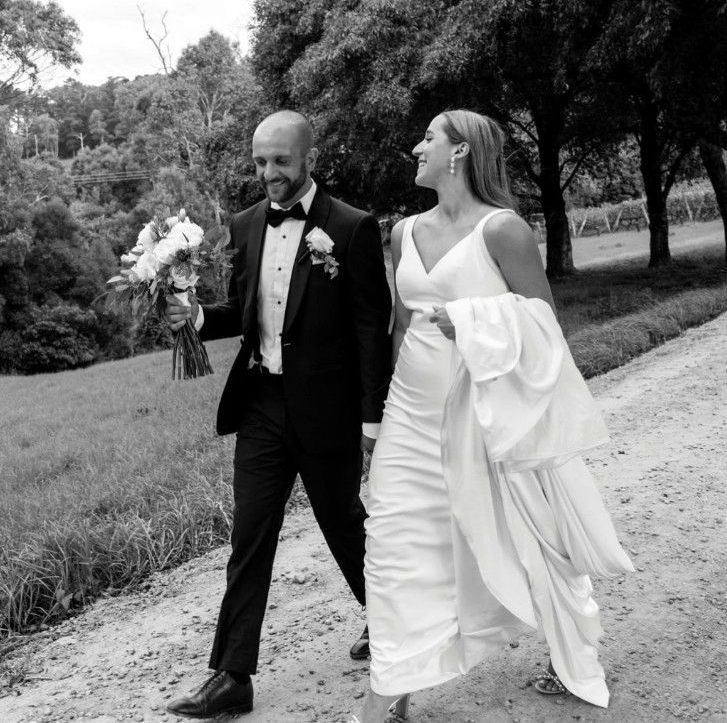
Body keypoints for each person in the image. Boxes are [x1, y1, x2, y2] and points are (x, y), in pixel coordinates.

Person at [350, 110, 633, 723]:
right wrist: (379, 420)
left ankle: (572, 652)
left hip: (485, 414)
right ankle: (390, 690)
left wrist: (477, 320)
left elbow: (544, 324)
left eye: (428, 138)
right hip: (410, 413)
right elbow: (400, 327)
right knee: (391, 546)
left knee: (532, 537)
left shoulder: (502, 230)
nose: (416, 148)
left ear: (458, 153)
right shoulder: (402, 232)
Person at [165, 110, 392, 718]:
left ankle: (395, 622)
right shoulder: (244, 225)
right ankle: (232, 675)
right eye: (260, 162)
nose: (268, 174)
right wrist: (197, 319)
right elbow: (245, 308)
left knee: (343, 522)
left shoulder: (351, 228)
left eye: (280, 162)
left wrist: (373, 420)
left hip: (328, 409)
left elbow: (372, 330)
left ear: (308, 158)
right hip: (262, 403)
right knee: (250, 534)